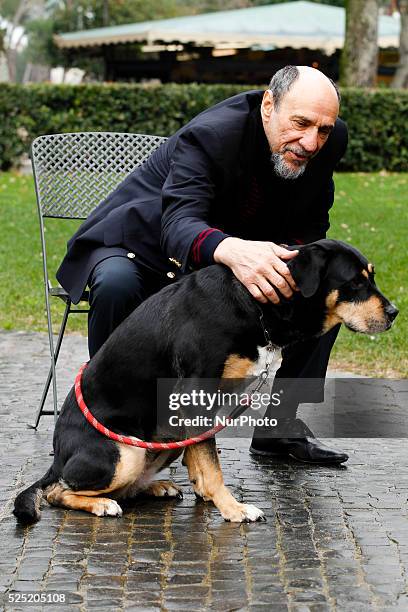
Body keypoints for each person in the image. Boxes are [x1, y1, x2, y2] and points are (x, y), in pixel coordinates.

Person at [57, 65, 349, 464]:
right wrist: (235, 250)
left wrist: (290, 264)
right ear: (269, 105)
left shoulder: (329, 141)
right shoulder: (212, 134)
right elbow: (178, 223)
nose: (311, 141)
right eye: (300, 123)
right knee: (116, 283)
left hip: (222, 258)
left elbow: (312, 222)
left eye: (323, 129)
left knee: (316, 295)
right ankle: (113, 425)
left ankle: (279, 431)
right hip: (140, 244)